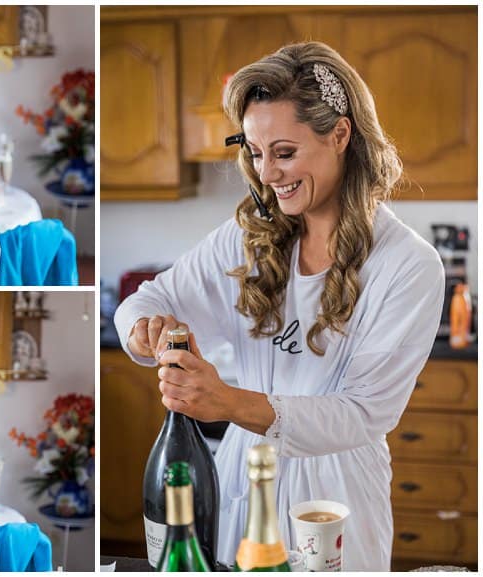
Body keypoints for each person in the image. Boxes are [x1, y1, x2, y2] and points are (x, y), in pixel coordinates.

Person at [114, 41, 444, 571]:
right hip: (241, 479)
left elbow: (362, 413)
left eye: (285, 152)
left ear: (340, 135)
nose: (266, 174)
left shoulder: (407, 265)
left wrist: (225, 402)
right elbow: (151, 296)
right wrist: (144, 329)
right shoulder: (250, 238)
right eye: (254, 151)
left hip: (335, 500)